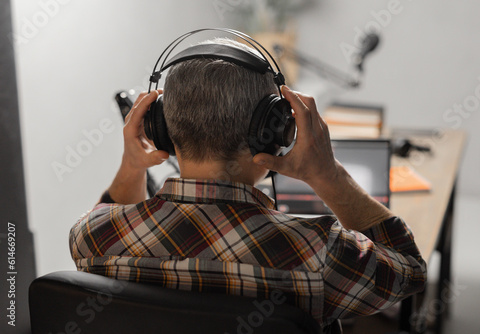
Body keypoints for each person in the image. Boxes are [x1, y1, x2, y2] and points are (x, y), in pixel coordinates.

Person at [69, 38, 426, 329]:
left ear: (157, 127)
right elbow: (408, 270)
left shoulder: (92, 238)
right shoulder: (322, 254)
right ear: (273, 133)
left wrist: (131, 165)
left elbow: (111, 213)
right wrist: (328, 175)